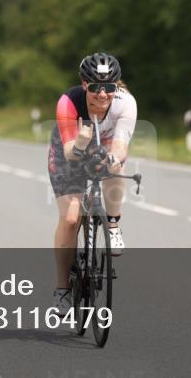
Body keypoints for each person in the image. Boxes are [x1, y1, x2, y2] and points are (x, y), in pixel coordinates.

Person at [47, 52, 137, 316]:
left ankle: (113, 224)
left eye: (109, 87)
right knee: (71, 218)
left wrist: (113, 159)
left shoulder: (125, 103)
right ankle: (62, 288)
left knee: (117, 167)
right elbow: (69, 153)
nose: (102, 94)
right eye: (96, 87)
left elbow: (120, 146)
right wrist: (81, 143)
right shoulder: (68, 102)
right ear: (84, 84)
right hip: (69, 149)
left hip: (104, 145)